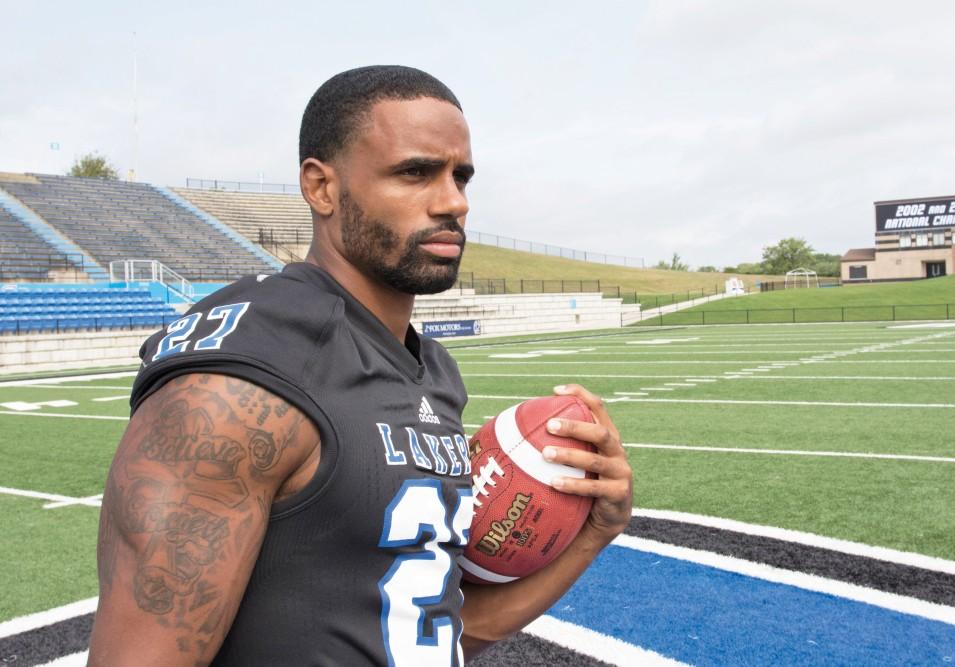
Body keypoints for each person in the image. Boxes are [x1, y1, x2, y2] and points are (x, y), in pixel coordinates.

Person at [87, 65, 633, 666]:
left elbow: (425, 637)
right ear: (322, 187)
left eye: (461, 176)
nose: (454, 201)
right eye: (414, 173)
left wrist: (593, 535)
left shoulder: (428, 369)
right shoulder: (242, 380)